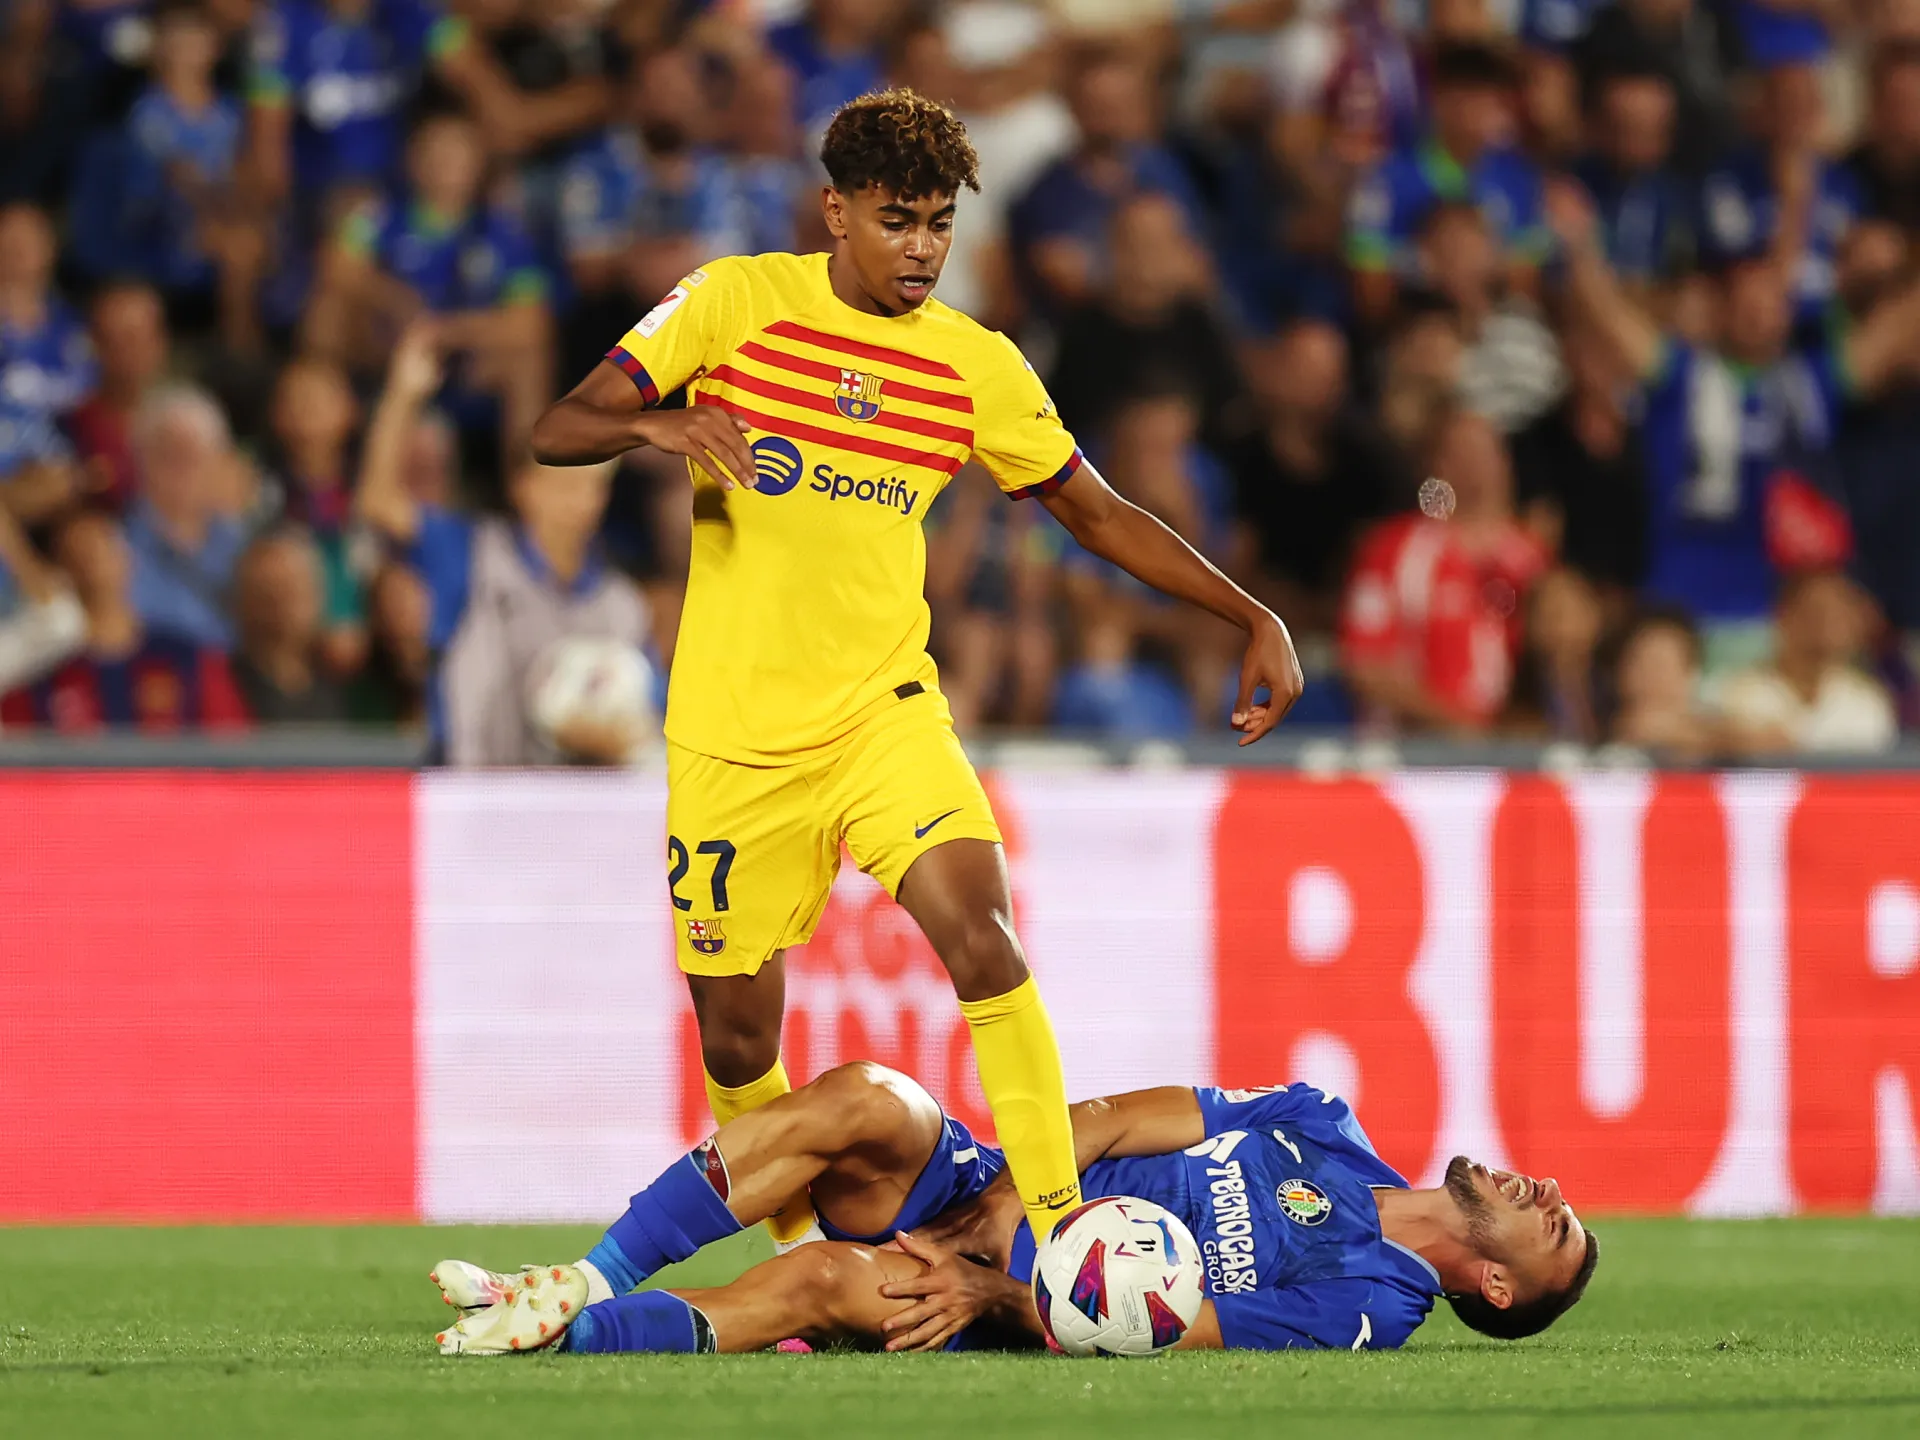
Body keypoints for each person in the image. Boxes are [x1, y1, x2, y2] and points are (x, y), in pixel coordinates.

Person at [526, 88, 1303, 1248]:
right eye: (899, 221)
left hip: (884, 717)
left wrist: (1249, 613)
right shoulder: (735, 301)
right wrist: (659, 424)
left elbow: (1096, 513)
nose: (923, 249)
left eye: (940, 223)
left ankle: (1060, 1238)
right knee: (736, 1040)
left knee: (983, 935)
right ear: (835, 211)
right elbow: (560, 427)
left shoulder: (974, 365)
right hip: (735, 736)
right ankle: (807, 1267)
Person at [431, 1061, 1597, 1357]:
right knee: (867, 1099)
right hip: (987, 1186)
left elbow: (1173, 1330)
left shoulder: (1370, 1305)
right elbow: (1107, 1121)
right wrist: (996, 1201)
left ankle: (552, 1330)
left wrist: (993, 1283)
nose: (1542, 1189)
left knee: (827, 1284)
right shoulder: (1322, 1122)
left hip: (1011, 1301)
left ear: (1497, 1286)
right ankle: (588, 1275)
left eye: (1552, 1224)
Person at [355, 320, 648, 766]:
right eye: (565, 483)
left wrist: (619, 737)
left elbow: (648, 717)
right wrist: (403, 393)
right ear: (522, 487)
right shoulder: (471, 555)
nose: (580, 500)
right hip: (475, 791)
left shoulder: (622, 604)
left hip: (584, 803)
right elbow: (378, 501)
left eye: (593, 484)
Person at [1713, 567, 1898, 755]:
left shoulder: (1866, 699)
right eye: (1817, 611)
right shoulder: (1742, 694)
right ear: (1784, 615)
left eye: (1838, 612)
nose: (1828, 624)